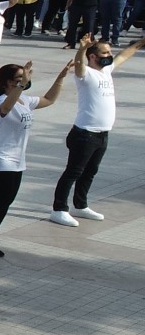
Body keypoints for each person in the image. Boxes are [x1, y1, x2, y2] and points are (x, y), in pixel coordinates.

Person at [0, 61, 70, 256]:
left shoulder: (24, 99)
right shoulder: (1, 101)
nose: (24, 82)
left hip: (17, 159)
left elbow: (49, 99)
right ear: (7, 83)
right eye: (19, 79)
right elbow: (7, 107)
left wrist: (60, 77)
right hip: (0, 158)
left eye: (25, 78)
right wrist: (21, 86)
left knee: (6, 201)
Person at [50, 36, 145, 227]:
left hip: (102, 134)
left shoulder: (107, 71)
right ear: (93, 56)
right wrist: (81, 48)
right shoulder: (85, 74)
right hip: (85, 134)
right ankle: (59, 209)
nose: (110, 55)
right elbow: (78, 65)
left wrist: (141, 42)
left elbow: (125, 54)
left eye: (109, 52)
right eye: (105, 52)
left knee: (90, 171)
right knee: (73, 172)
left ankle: (80, 205)